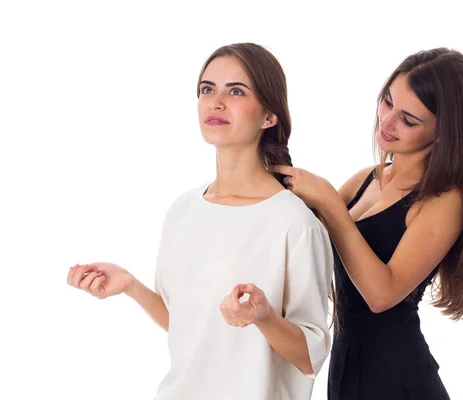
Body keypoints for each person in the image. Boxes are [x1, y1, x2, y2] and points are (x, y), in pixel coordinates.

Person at [66, 42, 334, 400]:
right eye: (207, 89)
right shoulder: (183, 210)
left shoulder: (294, 223)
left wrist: (264, 316)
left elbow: (310, 357)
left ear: (269, 116)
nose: (216, 102)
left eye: (235, 91)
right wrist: (131, 286)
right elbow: (187, 326)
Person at [271, 48, 463, 399]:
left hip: (396, 379)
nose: (387, 122)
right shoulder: (366, 179)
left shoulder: (444, 202)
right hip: (345, 370)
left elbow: (381, 295)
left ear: (443, 131)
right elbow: (300, 239)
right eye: (387, 102)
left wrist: (329, 203)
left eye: (409, 119)